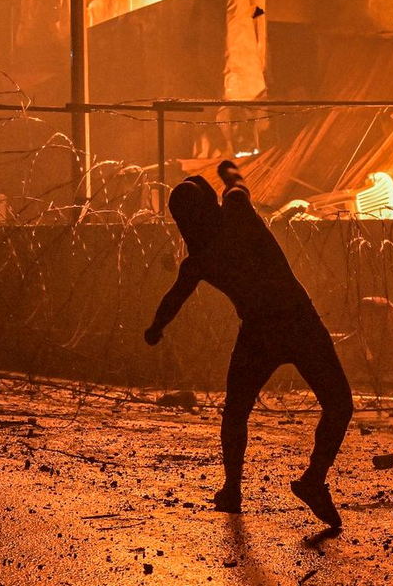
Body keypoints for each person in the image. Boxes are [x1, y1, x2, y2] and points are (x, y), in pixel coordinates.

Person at [144, 161, 353, 529]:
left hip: (258, 332)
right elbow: (237, 184)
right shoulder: (237, 212)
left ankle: (232, 490)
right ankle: (314, 480)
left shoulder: (199, 260)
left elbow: (172, 300)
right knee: (338, 404)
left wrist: (155, 329)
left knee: (236, 410)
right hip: (298, 320)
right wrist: (227, 172)